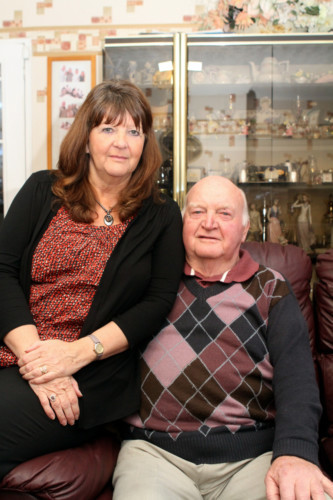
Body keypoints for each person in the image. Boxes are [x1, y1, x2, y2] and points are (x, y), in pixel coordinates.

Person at [0, 79, 184, 480]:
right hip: (19, 352)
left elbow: (156, 302)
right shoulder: (40, 190)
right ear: (85, 140)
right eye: (108, 128)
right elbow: (1, 271)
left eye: (134, 131)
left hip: (91, 375)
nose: (122, 142)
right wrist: (41, 361)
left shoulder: (162, 215)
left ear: (145, 144)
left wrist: (75, 355)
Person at [112, 176, 333, 500]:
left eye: (224, 214)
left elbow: (297, 379)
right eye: (198, 212)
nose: (209, 224)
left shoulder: (271, 287)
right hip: (153, 454)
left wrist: (296, 454)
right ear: (182, 222)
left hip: (253, 457)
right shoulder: (149, 280)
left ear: (245, 230)